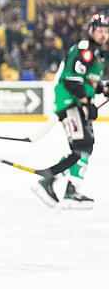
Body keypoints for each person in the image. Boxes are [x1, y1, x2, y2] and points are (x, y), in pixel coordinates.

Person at [33, 14, 109, 208]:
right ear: (91, 31)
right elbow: (72, 79)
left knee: (83, 147)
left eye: (106, 31)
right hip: (71, 103)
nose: (103, 34)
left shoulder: (96, 54)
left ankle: (59, 183)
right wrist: (85, 102)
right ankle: (54, 182)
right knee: (82, 146)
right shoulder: (86, 50)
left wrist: (102, 89)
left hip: (75, 103)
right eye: (99, 30)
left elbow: (89, 81)